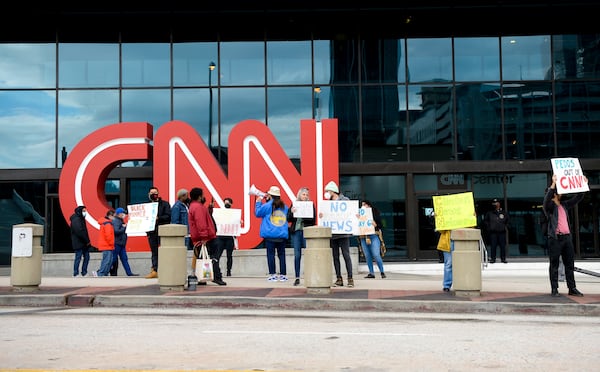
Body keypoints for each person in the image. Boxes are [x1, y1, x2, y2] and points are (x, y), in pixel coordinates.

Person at [543, 174, 588, 297]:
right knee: (554, 264)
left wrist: (583, 184)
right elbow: (546, 200)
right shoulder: (549, 208)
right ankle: (554, 288)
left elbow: (578, 197)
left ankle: (572, 288)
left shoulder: (564, 205)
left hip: (567, 238)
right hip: (555, 239)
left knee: (569, 264)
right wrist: (553, 183)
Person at [189, 187, 226, 286]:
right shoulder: (198, 207)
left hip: (201, 237)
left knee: (202, 258)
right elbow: (201, 223)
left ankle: (202, 278)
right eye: (203, 195)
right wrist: (204, 236)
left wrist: (209, 209)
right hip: (206, 238)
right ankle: (216, 276)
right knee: (213, 257)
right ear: (199, 196)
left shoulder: (195, 206)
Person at [323, 181, 354, 288]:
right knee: (335, 256)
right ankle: (339, 278)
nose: (326, 193)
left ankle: (350, 278)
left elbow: (350, 213)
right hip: (333, 234)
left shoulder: (345, 200)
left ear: (333, 191)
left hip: (344, 233)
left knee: (346, 255)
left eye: (327, 191)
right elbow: (325, 216)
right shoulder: (328, 203)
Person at [255, 185, 289, 282]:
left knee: (270, 255)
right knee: (281, 255)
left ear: (270, 195)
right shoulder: (284, 207)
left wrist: (258, 202)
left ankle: (273, 274)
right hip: (281, 234)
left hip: (270, 235)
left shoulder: (267, 206)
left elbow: (257, 213)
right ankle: (283, 275)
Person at [287, 187, 316, 286]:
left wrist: (304, 215)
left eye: (307, 195)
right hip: (296, 232)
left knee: (309, 254)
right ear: (299, 195)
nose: (305, 196)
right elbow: (288, 219)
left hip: (306, 231)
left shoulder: (310, 205)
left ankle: (310, 275)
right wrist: (292, 211)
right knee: (297, 255)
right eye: (303, 194)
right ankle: (297, 277)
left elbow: (313, 220)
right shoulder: (295, 204)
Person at [145, 186, 172, 279]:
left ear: (158, 193)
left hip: (162, 231)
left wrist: (158, 218)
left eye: (155, 193)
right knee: (154, 252)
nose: (153, 195)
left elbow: (168, 216)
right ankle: (155, 270)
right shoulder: (147, 206)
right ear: (148, 194)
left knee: (165, 251)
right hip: (151, 232)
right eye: (151, 193)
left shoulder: (164, 204)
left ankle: (166, 270)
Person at [358, 200, 386, 279]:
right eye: (362, 205)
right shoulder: (360, 214)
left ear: (369, 205)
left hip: (373, 235)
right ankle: (371, 273)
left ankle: (382, 271)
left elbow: (381, 225)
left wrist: (376, 225)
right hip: (363, 237)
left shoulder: (375, 213)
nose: (363, 206)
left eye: (365, 204)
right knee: (367, 255)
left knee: (376, 254)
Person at [111, 208, 139, 276]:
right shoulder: (116, 221)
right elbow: (116, 231)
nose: (124, 214)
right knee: (113, 259)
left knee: (124, 259)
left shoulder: (120, 221)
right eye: (123, 213)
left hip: (121, 243)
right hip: (117, 243)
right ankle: (101, 272)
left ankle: (129, 273)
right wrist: (124, 227)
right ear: (119, 214)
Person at [484, 198, 510, 263]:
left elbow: (508, 221)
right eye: (494, 203)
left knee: (502, 246)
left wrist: (505, 227)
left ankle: (503, 259)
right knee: (493, 246)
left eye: (496, 203)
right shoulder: (489, 213)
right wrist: (489, 227)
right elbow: (485, 221)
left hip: (502, 232)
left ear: (499, 204)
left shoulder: (504, 213)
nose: (495, 204)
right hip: (493, 233)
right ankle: (493, 259)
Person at [218, 197, 238, 277]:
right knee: (218, 254)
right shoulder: (221, 213)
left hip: (229, 237)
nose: (226, 204)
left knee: (229, 255)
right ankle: (217, 270)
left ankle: (229, 270)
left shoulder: (234, 214)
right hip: (221, 236)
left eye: (228, 203)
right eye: (225, 203)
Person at [92, 209, 116, 277]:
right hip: (107, 245)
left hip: (106, 245)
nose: (114, 218)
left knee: (108, 260)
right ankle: (100, 273)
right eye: (114, 216)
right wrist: (111, 243)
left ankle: (104, 273)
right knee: (107, 260)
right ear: (110, 216)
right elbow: (108, 235)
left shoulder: (105, 223)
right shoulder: (108, 224)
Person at [70, 205, 92, 277]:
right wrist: (87, 240)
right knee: (78, 257)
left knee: (86, 257)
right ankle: (76, 273)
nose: (85, 212)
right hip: (79, 242)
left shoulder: (81, 218)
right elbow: (80, 231)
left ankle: (84, 272)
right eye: (84, 211)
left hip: (83, 242)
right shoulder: (76, 219)